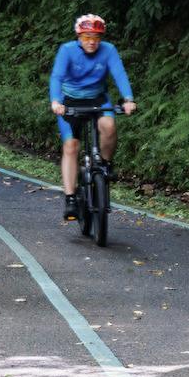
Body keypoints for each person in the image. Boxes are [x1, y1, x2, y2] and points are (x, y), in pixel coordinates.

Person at [48, 13, 134, 221]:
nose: (92, 42)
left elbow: (119, 74)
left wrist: (128, 98)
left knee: (109, 125)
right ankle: (70, 197)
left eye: (96, 37)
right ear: (79, 37)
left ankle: (104, 164)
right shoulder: (67, 51)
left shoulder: (108, 50)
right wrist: (56, 101)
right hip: (70, 101)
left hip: (97, 99)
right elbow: (57, 77)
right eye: (87, 37)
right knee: (71, 147)